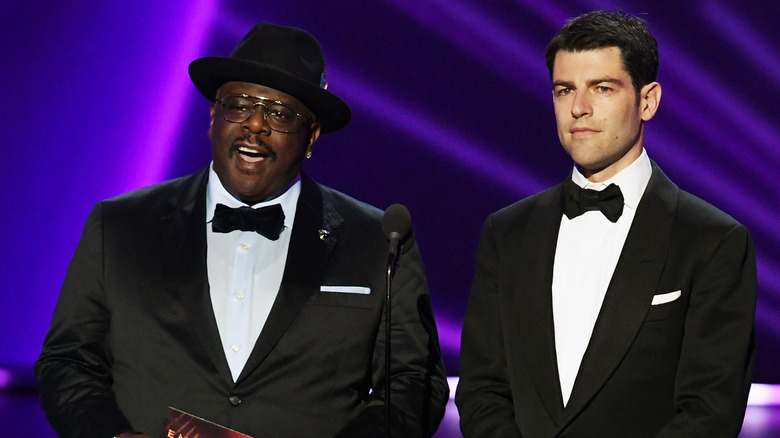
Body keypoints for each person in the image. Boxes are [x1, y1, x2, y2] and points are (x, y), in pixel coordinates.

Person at [35, 21, 448, 438]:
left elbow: (414, 384)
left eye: (281, 114)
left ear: (311, 137)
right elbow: (68, 360)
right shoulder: (121, 225)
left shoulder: (378, 240)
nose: (255, 125)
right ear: (214, 117)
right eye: (239, 105)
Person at [455, 10, 756, 437]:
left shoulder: (712, 241)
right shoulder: (508, 232)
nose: (579, 108)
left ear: (647, 100)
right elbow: (483, 388)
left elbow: (710, 412)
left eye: (602, 88)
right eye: (564, 90)